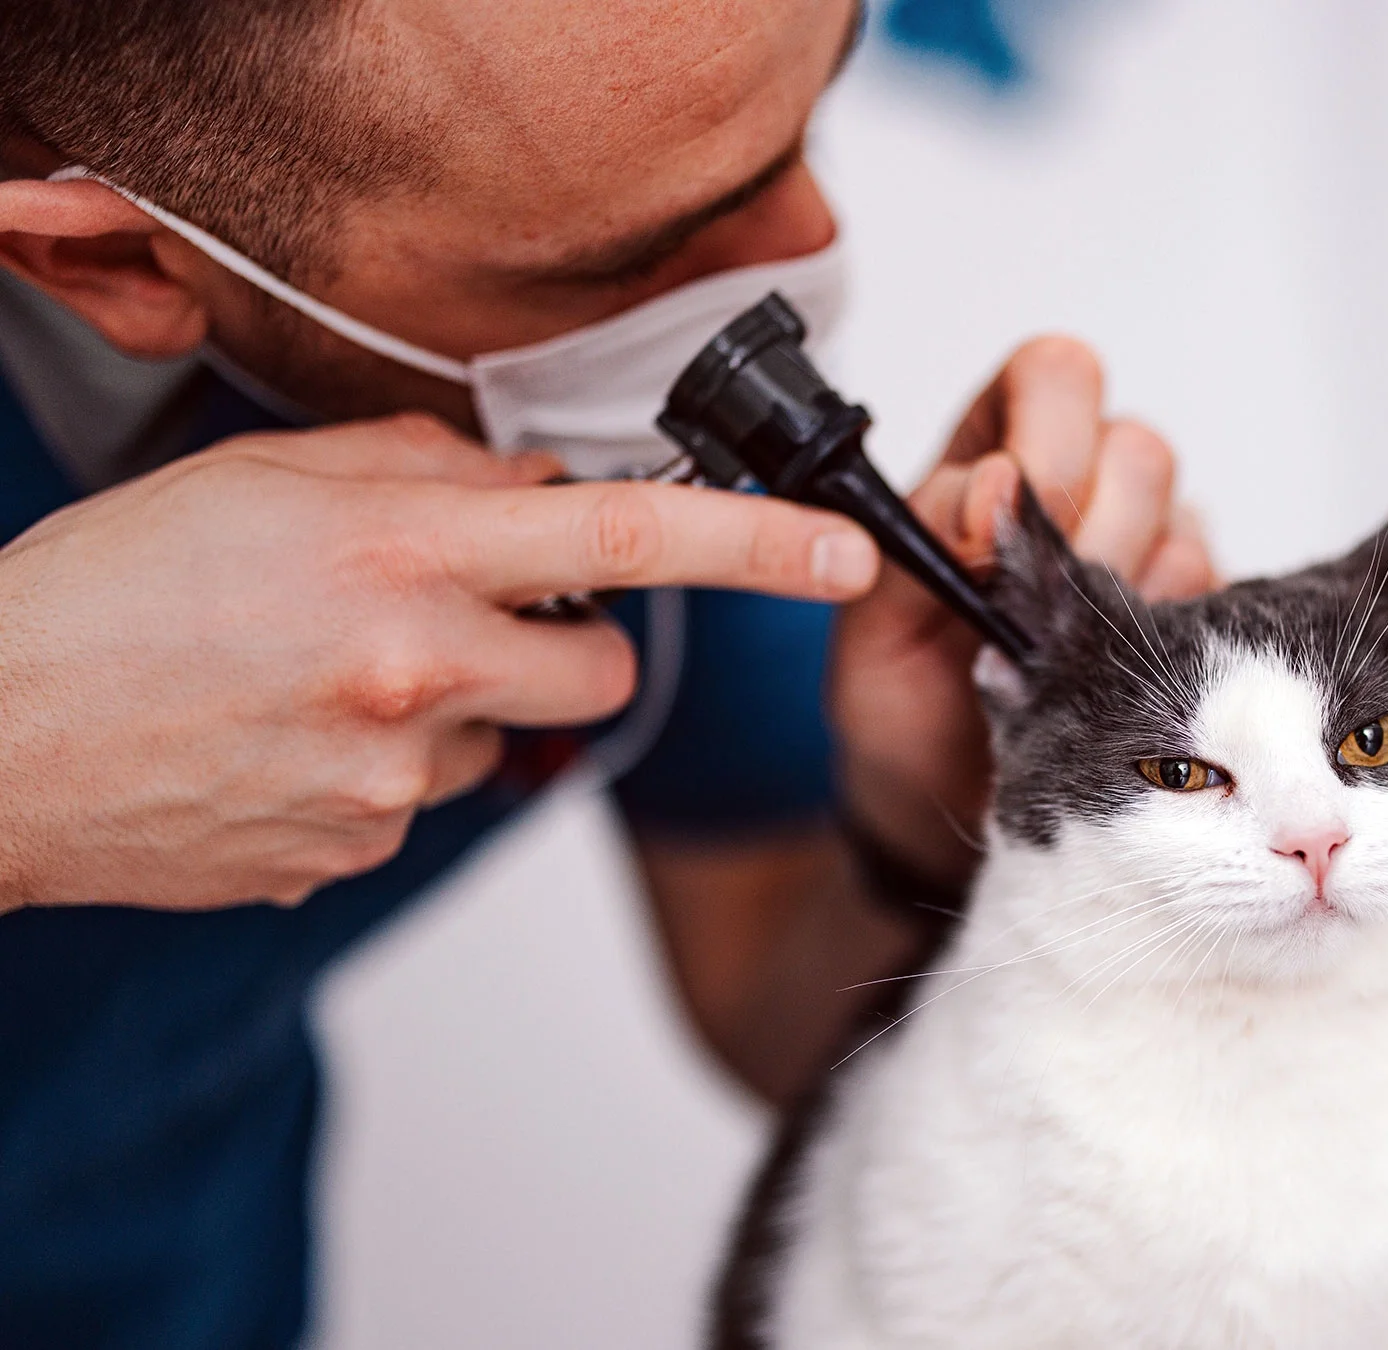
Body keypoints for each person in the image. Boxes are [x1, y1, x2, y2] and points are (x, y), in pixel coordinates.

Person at [0, 1, 1215, 1345]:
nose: (802, 264)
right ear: (122, 266)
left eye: (814, 110)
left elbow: (768, 978)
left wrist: (960, 833)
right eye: (629, 261)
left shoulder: (619, 292)